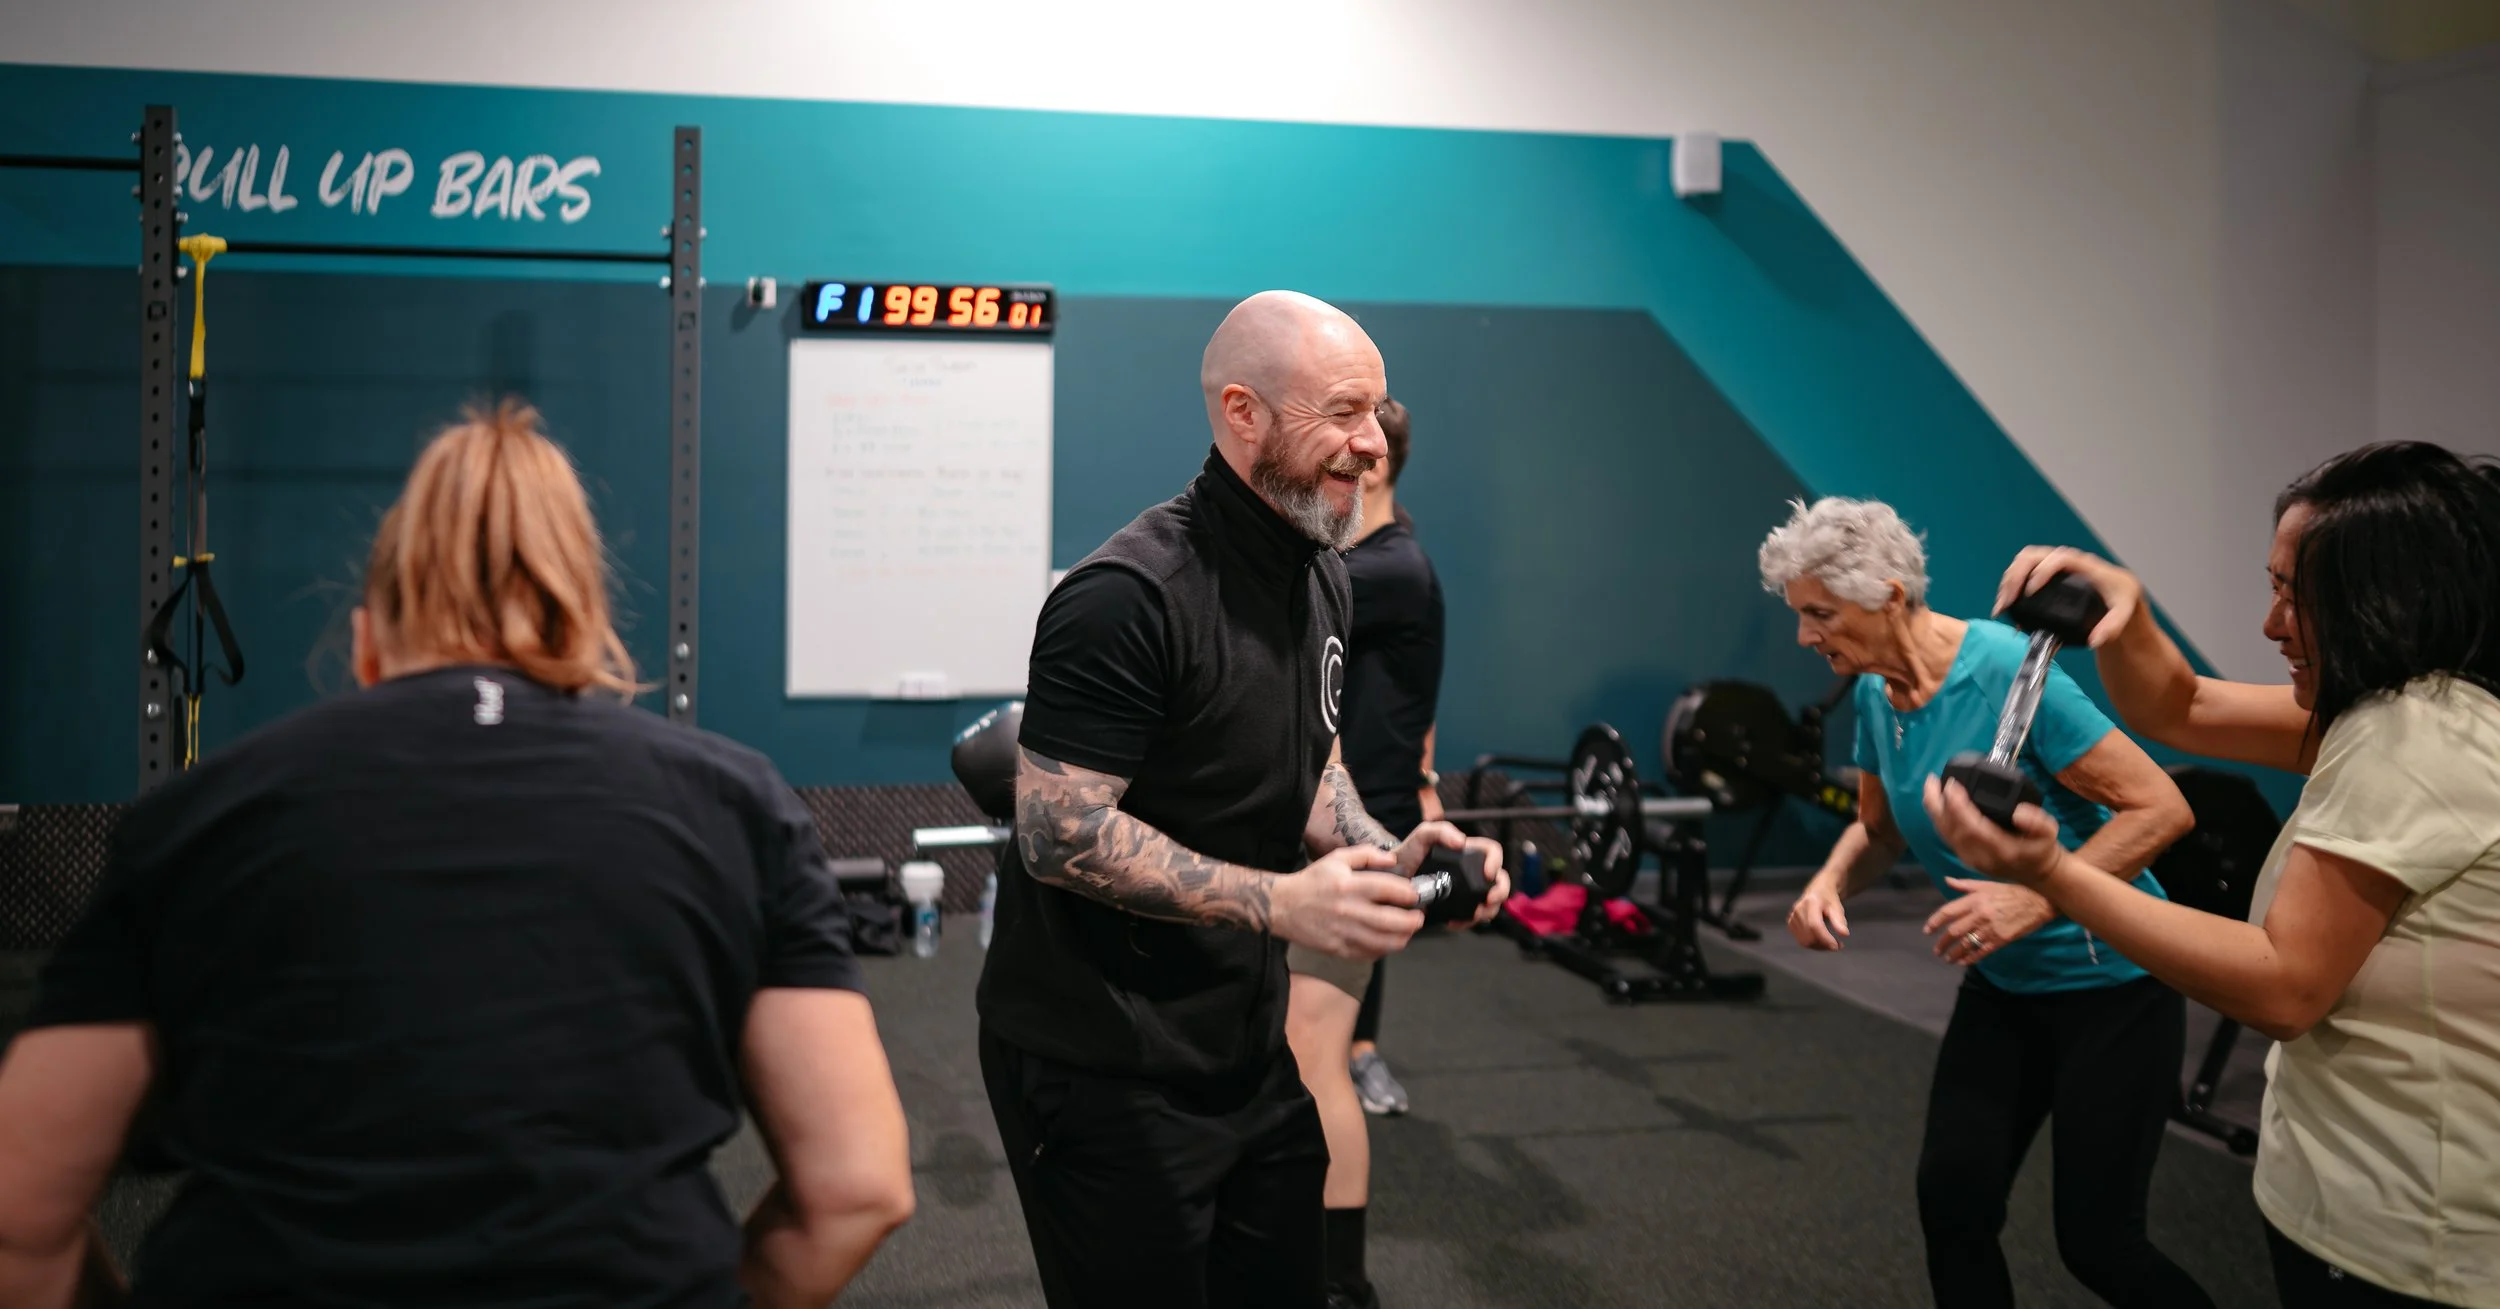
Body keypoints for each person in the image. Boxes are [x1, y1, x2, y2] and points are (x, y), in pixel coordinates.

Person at [0, 402, 915, 1309]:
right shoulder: (740, 804)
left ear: (365, 638)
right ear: (581, 628)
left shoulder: (197, 814)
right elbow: (856, 1187)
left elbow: (18, 1214)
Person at [975, 291, 1507, 1309]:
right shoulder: (1125, 595)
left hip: (1245, 1045)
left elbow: (1307, 759)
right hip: (1102, 1059)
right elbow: (1056, 831)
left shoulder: (1323, 575)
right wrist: (1279, 902)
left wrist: (1388, 849)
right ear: (1242, 413)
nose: (1371, 444)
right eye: (1343, 414)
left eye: (1378, 413)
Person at [1930, 441, 2500, 1309]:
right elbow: (2179, 706)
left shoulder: (2413, 739)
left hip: (2407, 1231)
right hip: (2357, 1192)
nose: (2272, 624)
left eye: (2295, 596)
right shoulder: (2401, 704)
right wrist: (2129, 608)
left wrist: (2052, 874)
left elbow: (2283, 987)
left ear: (2387, 598)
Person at [1760, 496, 2214, 1309]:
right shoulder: (1873, 687)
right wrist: (1827, 881)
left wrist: (2034, 900)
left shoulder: (2006, 671)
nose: (1805, 636)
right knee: (1954, 1203)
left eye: (1819, 613)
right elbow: (1878, 827)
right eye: (1800, 615)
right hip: (2003, 990)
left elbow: (2162, 809)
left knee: (2099, 1243)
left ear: (1889, 595)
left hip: (2113, 989)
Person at [1280, 395, 1445, 1309]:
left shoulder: (1386, 569)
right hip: (1337, 814)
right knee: (1301, 1046)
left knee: (1316, 1050)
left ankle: (1342, 1283)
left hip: (1358, 826)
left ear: (1373, 466)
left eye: (1343, 458)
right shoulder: (1376, 565)